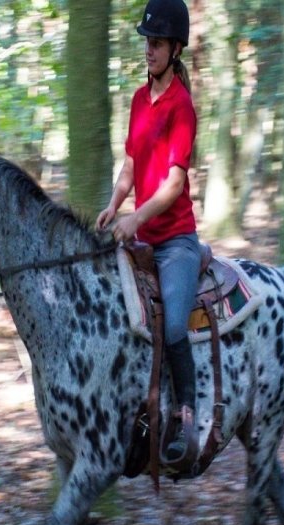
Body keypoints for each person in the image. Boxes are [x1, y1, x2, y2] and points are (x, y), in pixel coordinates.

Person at [96, 0, 200, 467]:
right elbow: (132, 163)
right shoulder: (140, 98)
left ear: (176, 48)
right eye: (147, 41)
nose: (149, 50)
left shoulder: (182, 106)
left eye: (157, 43)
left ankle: (187, 418)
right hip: (140, 239)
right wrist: (115, 203)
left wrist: (136, 219)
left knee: (174, 326)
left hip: (174, 241)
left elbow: (174, 184)